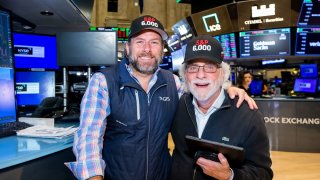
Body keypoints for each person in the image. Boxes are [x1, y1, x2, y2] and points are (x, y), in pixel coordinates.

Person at [65, 15, 257, 180]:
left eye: (154, 42)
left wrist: (230, 89)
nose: (147, 49)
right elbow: (89, 138)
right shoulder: (103, 82)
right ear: (128, 47)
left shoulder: (173, 83)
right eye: (140, 41)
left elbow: (203, 91)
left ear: (162, 49)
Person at [170, 35, 273, 180]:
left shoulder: (248, 115)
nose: (200, 75)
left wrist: (230, 176)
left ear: (223, 73)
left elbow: (263, 173)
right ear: (185, 74)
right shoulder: (178, 106)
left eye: (210, 67)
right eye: (193, 67)